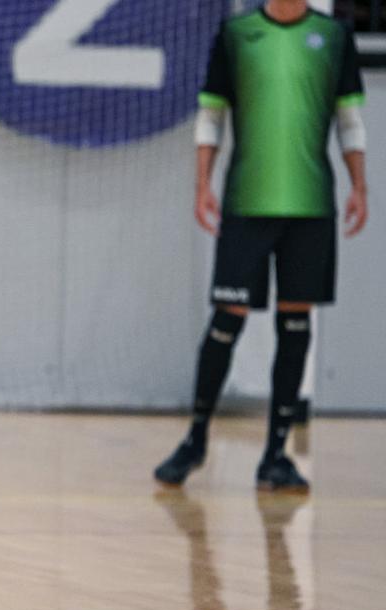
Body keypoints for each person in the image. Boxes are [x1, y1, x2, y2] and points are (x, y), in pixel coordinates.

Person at [155, 0, 367, 492]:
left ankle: (275, 456)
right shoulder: (235, 36)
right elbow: (211, 115)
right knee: (227, 319)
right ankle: (196, 439)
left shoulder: (334, 38)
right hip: (246, 206)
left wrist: (360, 185)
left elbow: (349, 120)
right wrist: (201, 183)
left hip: (310, 208)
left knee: (295, 325)